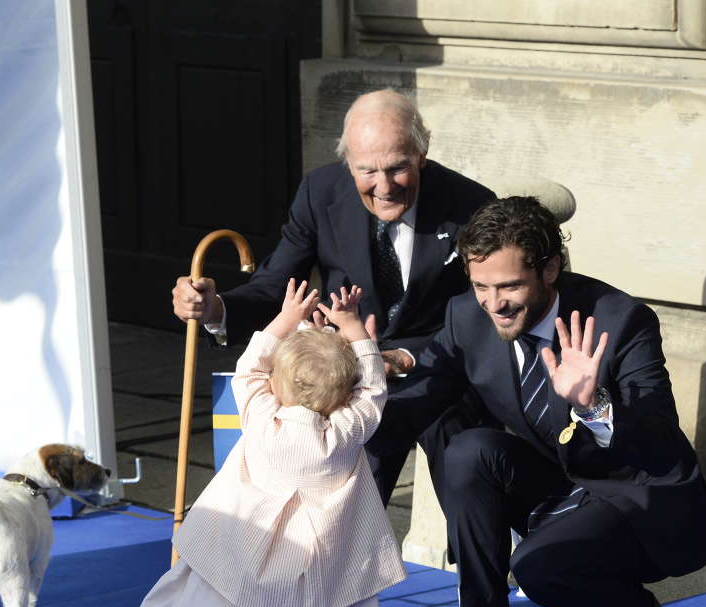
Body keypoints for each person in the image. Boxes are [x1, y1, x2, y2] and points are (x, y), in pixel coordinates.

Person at [370, 196, 706, 607]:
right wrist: (335, 400)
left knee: (537, 566)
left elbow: (660, 441)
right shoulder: (467, 318)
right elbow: (411, 410)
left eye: (509, 286)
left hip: (638, 497)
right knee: (468, 450)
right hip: (563, 485)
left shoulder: (620, 321)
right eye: (481, 286)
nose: (494, 303)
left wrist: (595, 405)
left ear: (550, 268)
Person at [131, 280, 407, 607]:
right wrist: (352, 329)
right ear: (342, 395)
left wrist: (284, 318)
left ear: (277, 383)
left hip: (259, 571)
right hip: (331, 576)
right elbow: (375, 389)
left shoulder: (259, 419)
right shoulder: (347, 430)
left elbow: (248, 367)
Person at [171, 88, 494, 503]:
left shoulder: (471, 204)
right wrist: (216, 308)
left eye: (398, 168)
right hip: (348, 377)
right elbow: (276, 286)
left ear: (422, 153)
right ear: (347, 163)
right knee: (348, 487)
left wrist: (405, 357)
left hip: (437, 367)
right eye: (367, 171)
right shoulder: (319, 193)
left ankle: (478, 567)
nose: (384, 186)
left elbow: (483, 309)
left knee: (468, 478)